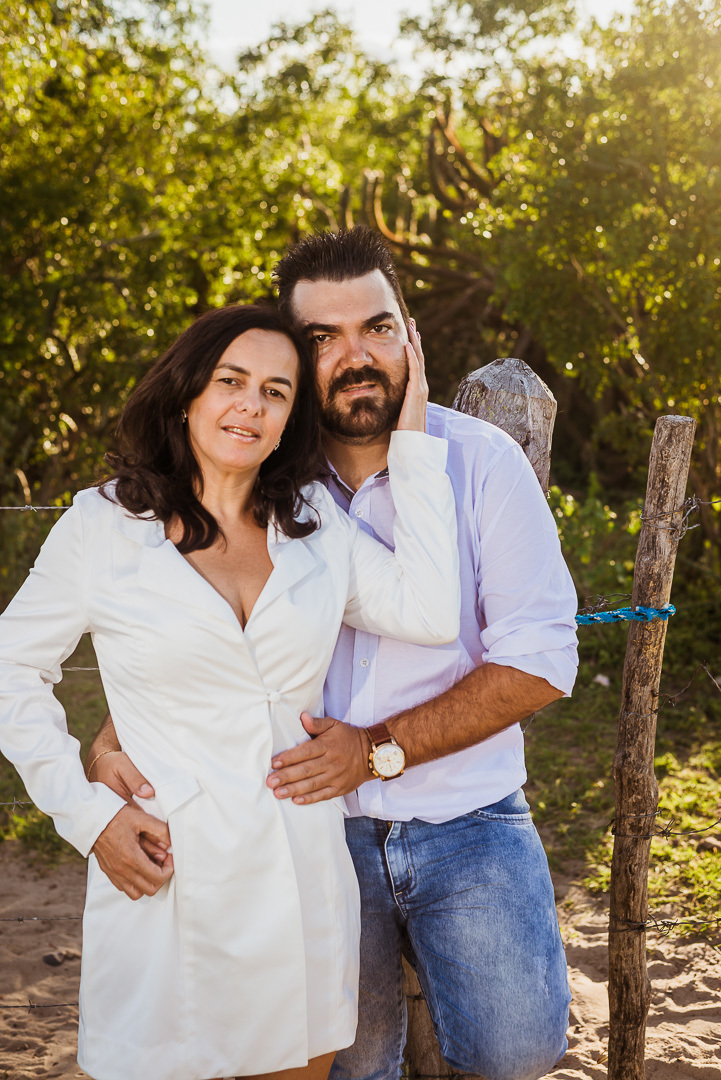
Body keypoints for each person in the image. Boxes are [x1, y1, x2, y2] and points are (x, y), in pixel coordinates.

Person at [89, 229, 580, 1080]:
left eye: (377, 328)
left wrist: (376, 750)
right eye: (322, 339)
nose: (356, 357)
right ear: (290, 351)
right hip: (297, 821)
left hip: (467, 815)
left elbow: (539, 660)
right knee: (336, 1062)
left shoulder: (481, 464)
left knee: (518, 1050)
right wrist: (111, 737)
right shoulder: (254, 471)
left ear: (411, 338)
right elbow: (192, 628)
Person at [0, 303, 462, 1080]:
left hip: (301, 879)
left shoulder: (314, 523)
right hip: (168, 874)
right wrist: (89, 813)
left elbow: (429, 610)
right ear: (187, 394)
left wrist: (410, 437)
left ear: (290, 422)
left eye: (277, 392)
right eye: (232, 381)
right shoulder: (101, 527)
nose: (251, 405)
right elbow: (10, 668)